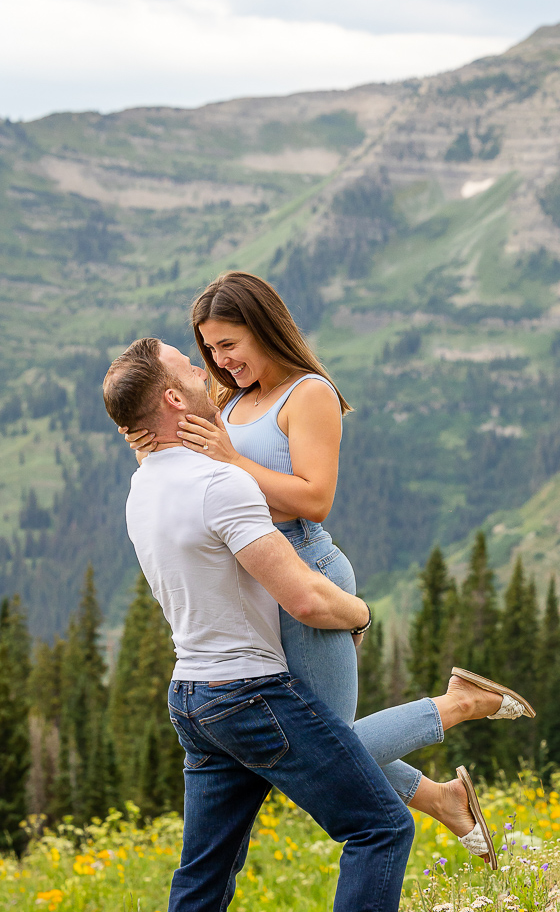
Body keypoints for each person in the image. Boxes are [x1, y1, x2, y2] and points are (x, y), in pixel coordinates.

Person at [103, 337, 533, 912]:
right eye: (188, 364)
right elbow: (304, 599)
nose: (203, 370)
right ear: (174, 400)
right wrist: (361, 613)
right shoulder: (219, 486)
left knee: (203, 872)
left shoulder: (144, 484)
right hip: (252, 696)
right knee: (379, 827)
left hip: (192, 698)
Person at [121, 272, 534, 859]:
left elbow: (314, 497)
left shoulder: (308, 394)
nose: (219, 360)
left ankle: (461, 703)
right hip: (263, 586)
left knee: (329, 749)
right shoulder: (227, 399)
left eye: (229, 344)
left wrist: (232, 458)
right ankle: (444, 799)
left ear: (263, 328)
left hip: (307, 572)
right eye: (209, 349)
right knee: (325, 748)